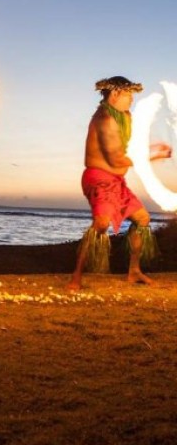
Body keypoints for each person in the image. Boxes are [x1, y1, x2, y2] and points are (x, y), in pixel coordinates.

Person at [68, 76, 172, 291]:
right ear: (115, 94)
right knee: (101, 224)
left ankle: (133, 271)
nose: (131, 100)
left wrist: (150, 149)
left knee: (142, 219)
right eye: (128, 95)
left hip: (117, 181)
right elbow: (115, 159)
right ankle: (76, 277)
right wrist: (152, 155)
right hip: (98, 179)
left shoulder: (124, 116)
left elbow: (126, 150)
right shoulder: (105, 119)